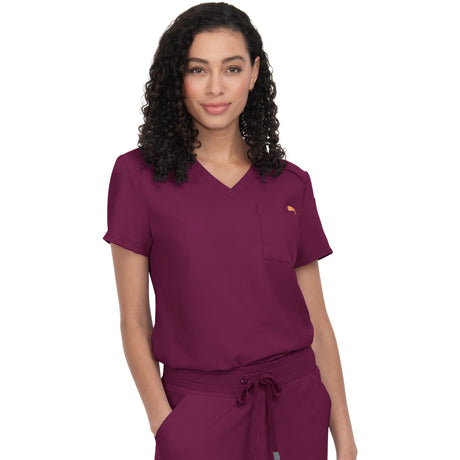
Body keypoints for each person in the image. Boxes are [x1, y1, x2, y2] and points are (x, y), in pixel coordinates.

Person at [102, 2, 357, 459]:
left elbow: (318, 324)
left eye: (232, 68)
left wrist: (346, 441)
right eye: (198, 69)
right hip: (199, 416)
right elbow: (135, 320)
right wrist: (167, 425)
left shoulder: (291, 184)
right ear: (177, 77)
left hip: (297, 410)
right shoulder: (138, 177)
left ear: (254, 73)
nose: (215, 87)